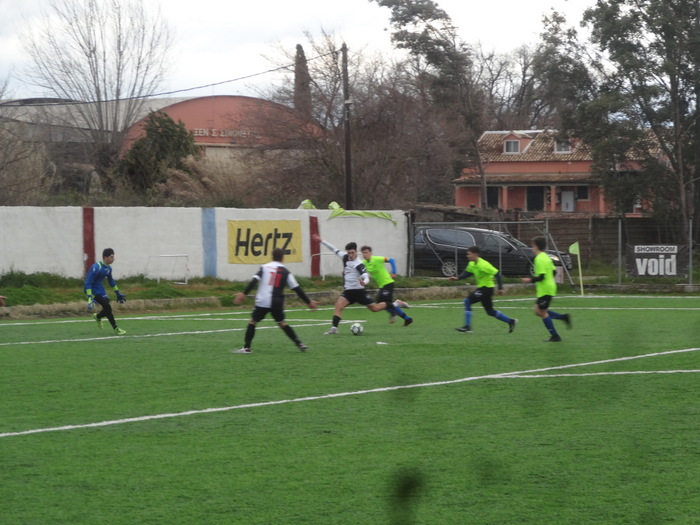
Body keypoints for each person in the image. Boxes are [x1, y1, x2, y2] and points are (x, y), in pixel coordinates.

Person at [313, 234, 411, 334]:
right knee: (338, 306)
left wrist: (364, 282)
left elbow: (365, 276)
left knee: (374, 308)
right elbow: (333, 249)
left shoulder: (359, 264)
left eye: (352, 253)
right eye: (349, 253)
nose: (350, 255)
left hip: (359, 291)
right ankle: (334, 329)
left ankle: (395, 304)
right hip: (348, 291)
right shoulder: (345, 257)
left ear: (356, 252)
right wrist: (321, 241)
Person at [233, 247, 318, 353]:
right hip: (277, 302)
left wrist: (244, 294)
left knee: (253, 322)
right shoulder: (286, 272)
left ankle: (246, 347)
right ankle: (299, 344)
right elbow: (297, 289)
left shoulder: (264, 267)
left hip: (262, 301)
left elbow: (254, 281)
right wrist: (309, 302)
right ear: (282, 258)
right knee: (282, 323)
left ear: (272, 256)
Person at [449, 245, 517, 334]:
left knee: (467, 301)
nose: (467, 256)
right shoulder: (472, 263)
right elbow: (467, 274)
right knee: (490, 312)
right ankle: (511, 321)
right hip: (482, 289)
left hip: (486, 289)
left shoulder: (484, 265)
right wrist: (457, 278)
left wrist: (500, 288)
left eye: (469, 254)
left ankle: (467, 327)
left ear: (475, 254)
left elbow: (497, 274)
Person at [521, 236, 571, 342]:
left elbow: (541, 277)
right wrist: (549, 281)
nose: (532, 247)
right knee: (537, 311)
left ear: (536, 246)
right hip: (548, 287)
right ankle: (563, 317)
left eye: (533, 245)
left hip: (545, 289)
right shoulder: (546, 257)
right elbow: (554, 271)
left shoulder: (539, 259)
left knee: (542, 312)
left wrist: (529, 280)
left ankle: (555, 336)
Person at [360, 245, 412, 326]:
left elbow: (391, 260)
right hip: (382, 285)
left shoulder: (377, 259)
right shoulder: (364, 262)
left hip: (388, 283)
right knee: (383, 305)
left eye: (366, 253)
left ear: (371, 253)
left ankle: (397, 306)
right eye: (363, 253)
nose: (364, 255)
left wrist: (394, 272)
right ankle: (407, 319)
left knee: (383, 304)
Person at [84, 248, 127, 335]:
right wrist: (89, 297)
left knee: (107, 308)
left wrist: (117, 293)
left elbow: (111, 281)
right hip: (91, 289)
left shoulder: (109, 268)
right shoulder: (96, 267)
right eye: (111, 257)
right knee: (107, 306)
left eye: (113, 257)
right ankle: (116, 328)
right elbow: (88, 282)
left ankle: (97, 316)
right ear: (105, 257)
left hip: (100, 289)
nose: (113, 259)